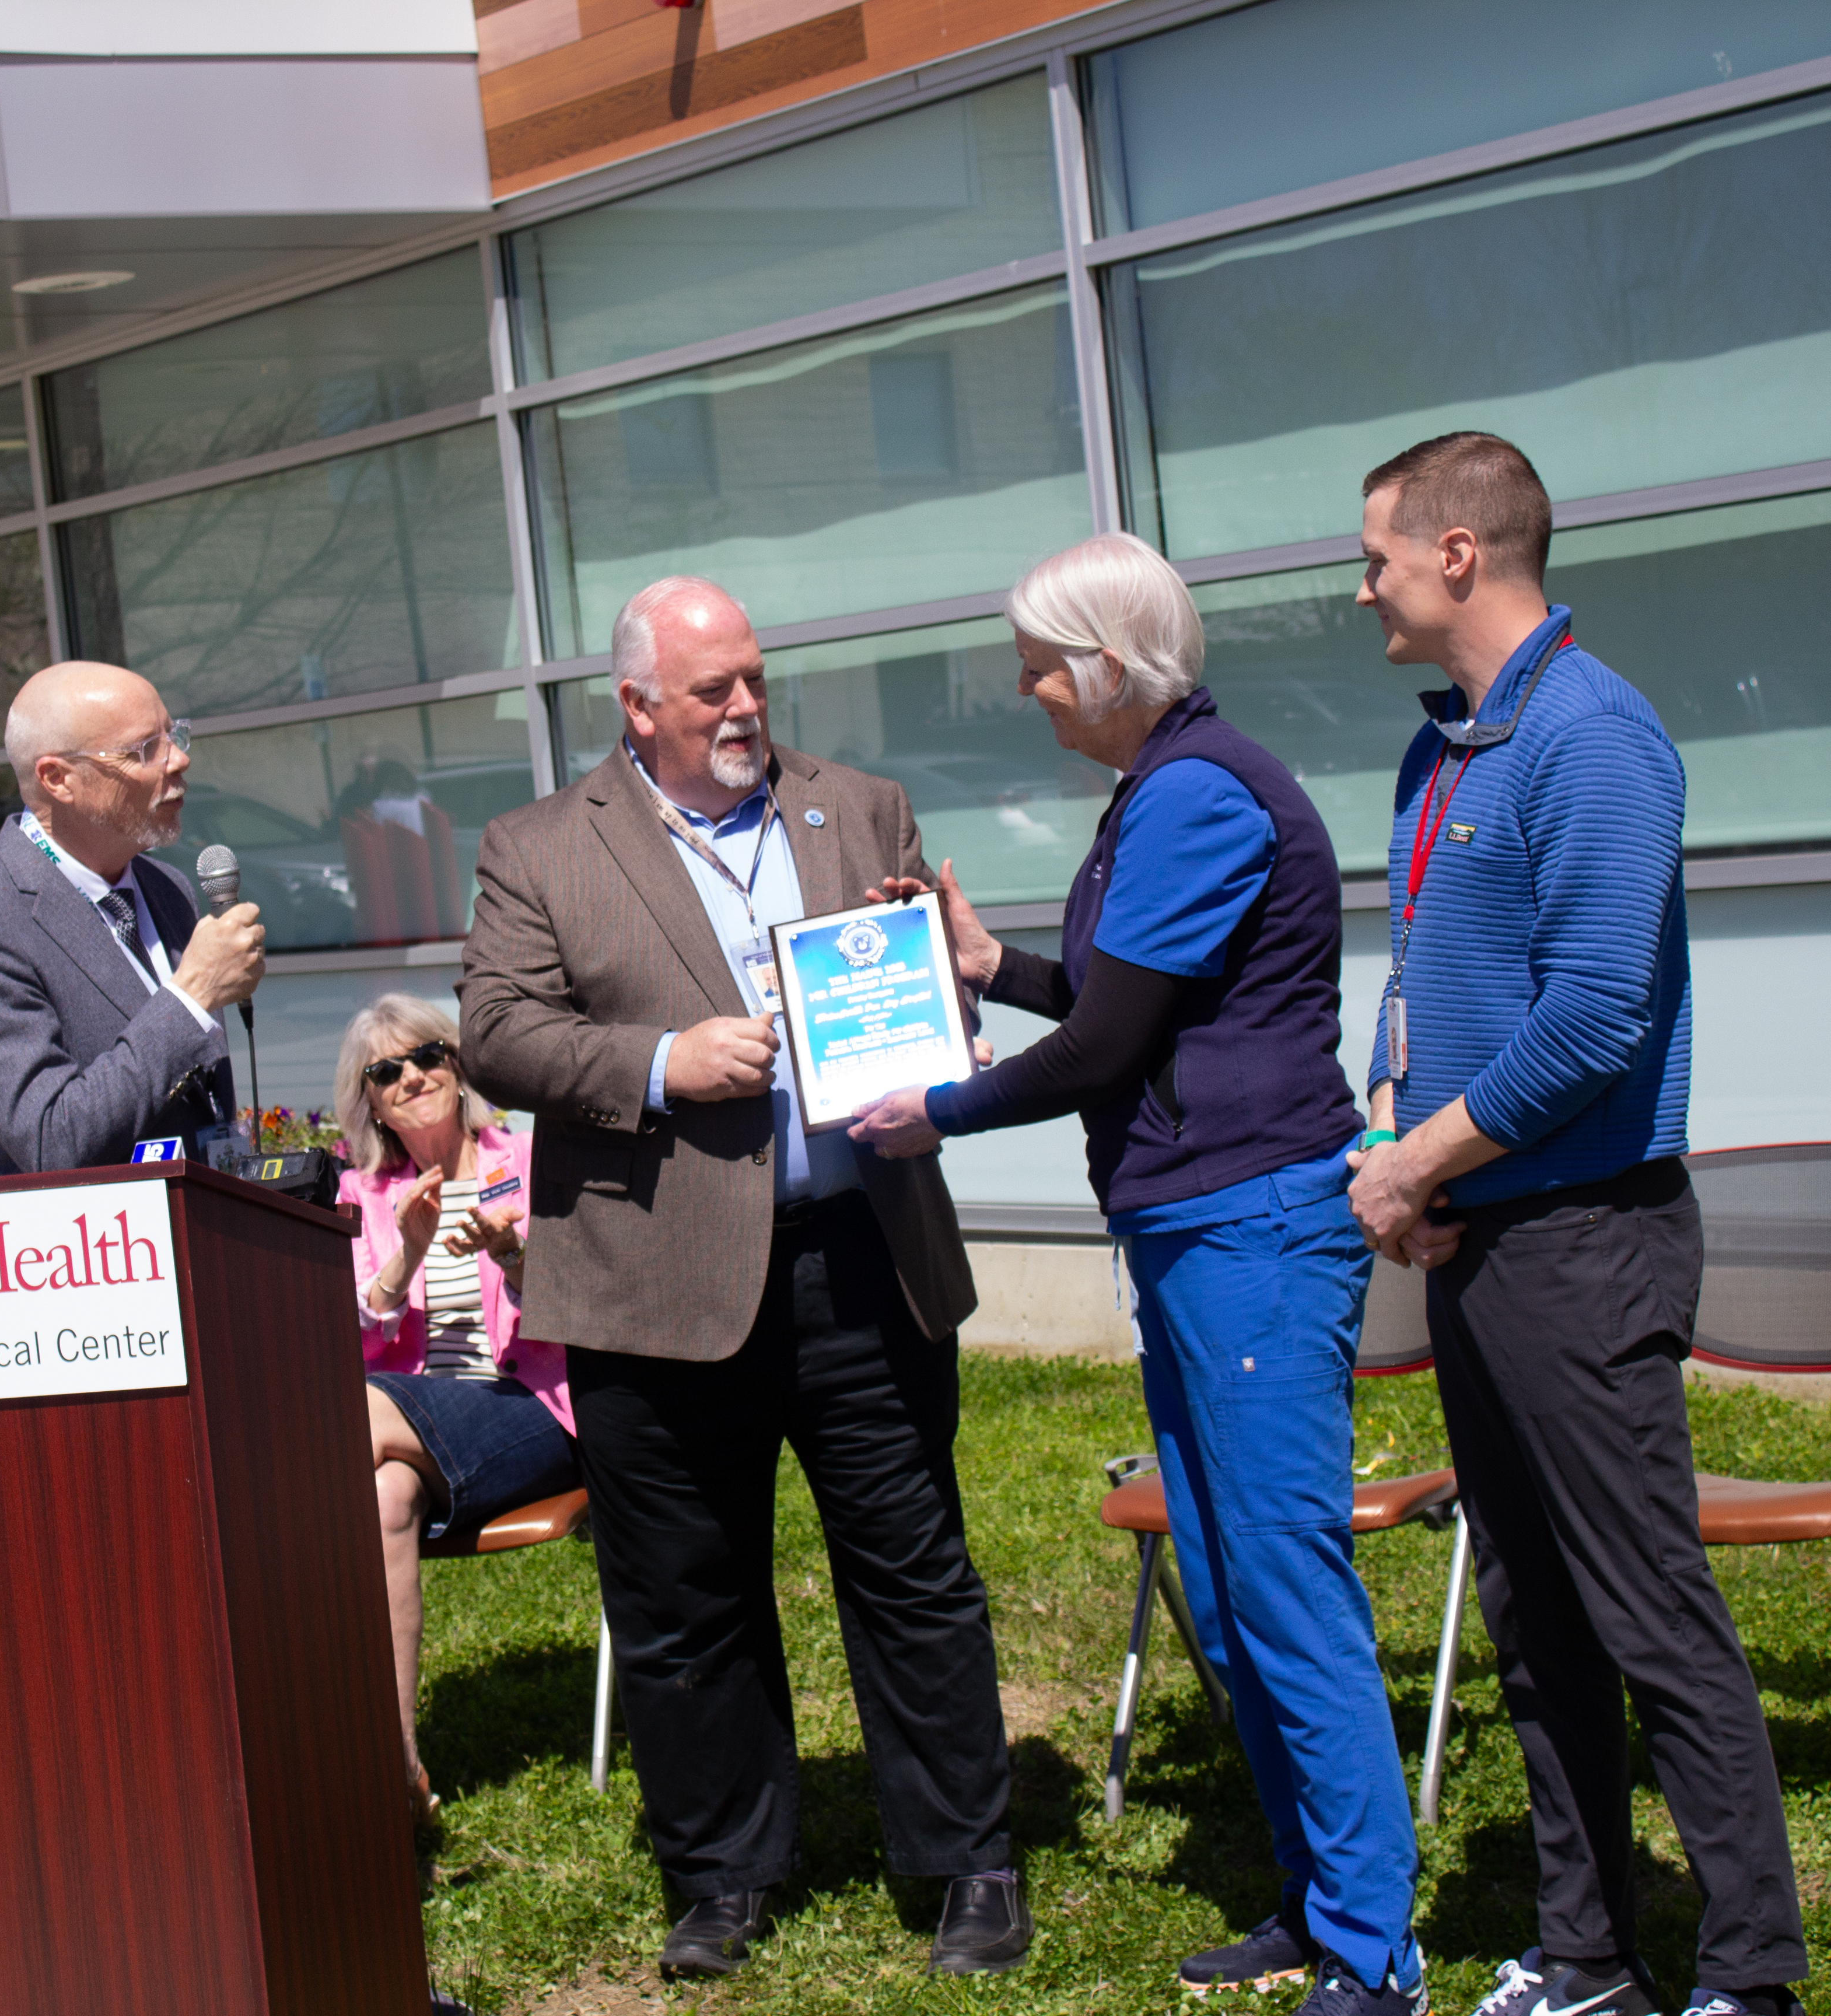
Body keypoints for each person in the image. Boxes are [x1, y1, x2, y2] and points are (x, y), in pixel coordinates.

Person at [848, 532, 1423, 2016]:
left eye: (1041, 662)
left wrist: (940, 1108)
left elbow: (1107, 1049)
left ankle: (1374, 1951)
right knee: (1231, 1596)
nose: (1028, 689)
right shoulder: (1158, 792)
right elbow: (1133, 1004)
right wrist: (991, 969)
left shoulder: (1197, 793)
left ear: (1107, 667)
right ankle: (1316, 1903)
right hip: (1192, 1227)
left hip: (1252, 1231)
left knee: (1287, 1587)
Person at [457, 576, 1021, 1983]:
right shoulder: (538, 846)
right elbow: (500, 1034)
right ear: (636, 706)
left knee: (911, 1569)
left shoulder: (859, 803)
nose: (745, 710)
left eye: (754, 679)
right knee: (683, 1593)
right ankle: (721, 1869)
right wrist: (660, 1064)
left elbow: (924, 996)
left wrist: (935, 1003)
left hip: (857, 1256)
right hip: (656, 1280)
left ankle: (964, 1860)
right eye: (710, 691)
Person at [1343, 434, 1807, 2016]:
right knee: (1535, 1622)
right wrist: (1397, 1138)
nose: (1364, 588)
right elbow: (1423, 989)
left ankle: (1750, 1974)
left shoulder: (1598, 739)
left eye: (1380, 559)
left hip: (1585, 1238)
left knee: (1646, 1611)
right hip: (1478, 1235)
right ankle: (1591, 1957)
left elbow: (1598, 1016)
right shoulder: (1448, 752)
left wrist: (1421, 1167)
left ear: (1460, 555)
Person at [333, 994, 574, 1824]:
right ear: (369, 1099)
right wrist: (405, 1250)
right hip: (414, 1427)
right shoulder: (361, 1195)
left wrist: (511, 1255)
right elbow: (355, 1338)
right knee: (381, 1495)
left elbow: (577, 1312)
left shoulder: (532, 1159)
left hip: (532, 1410)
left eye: (429, 1055)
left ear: (459, 1063)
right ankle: (395, 1760)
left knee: (344, 1420)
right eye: (387, 1071)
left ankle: (295, 1703)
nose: (414, 1077)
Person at [0, 661, 265, 1172]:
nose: (178, 761)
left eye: (174, 735)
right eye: (145, 750)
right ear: (57, 778)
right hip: (99, 1245)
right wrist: (191, 997)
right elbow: (51, 1141)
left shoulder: (165, 888)